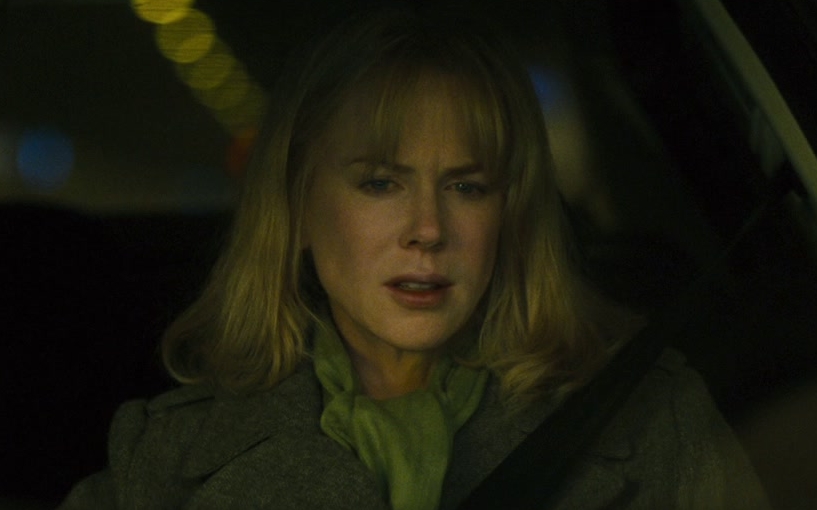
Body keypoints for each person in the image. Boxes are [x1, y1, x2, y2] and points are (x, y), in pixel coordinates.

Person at [59, 4, 769, 509]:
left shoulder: (652, 421)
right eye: (379, 183)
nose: (427, 229)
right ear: (298, 208)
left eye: (466, 186)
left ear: (511, 216)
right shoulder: (165, 461)